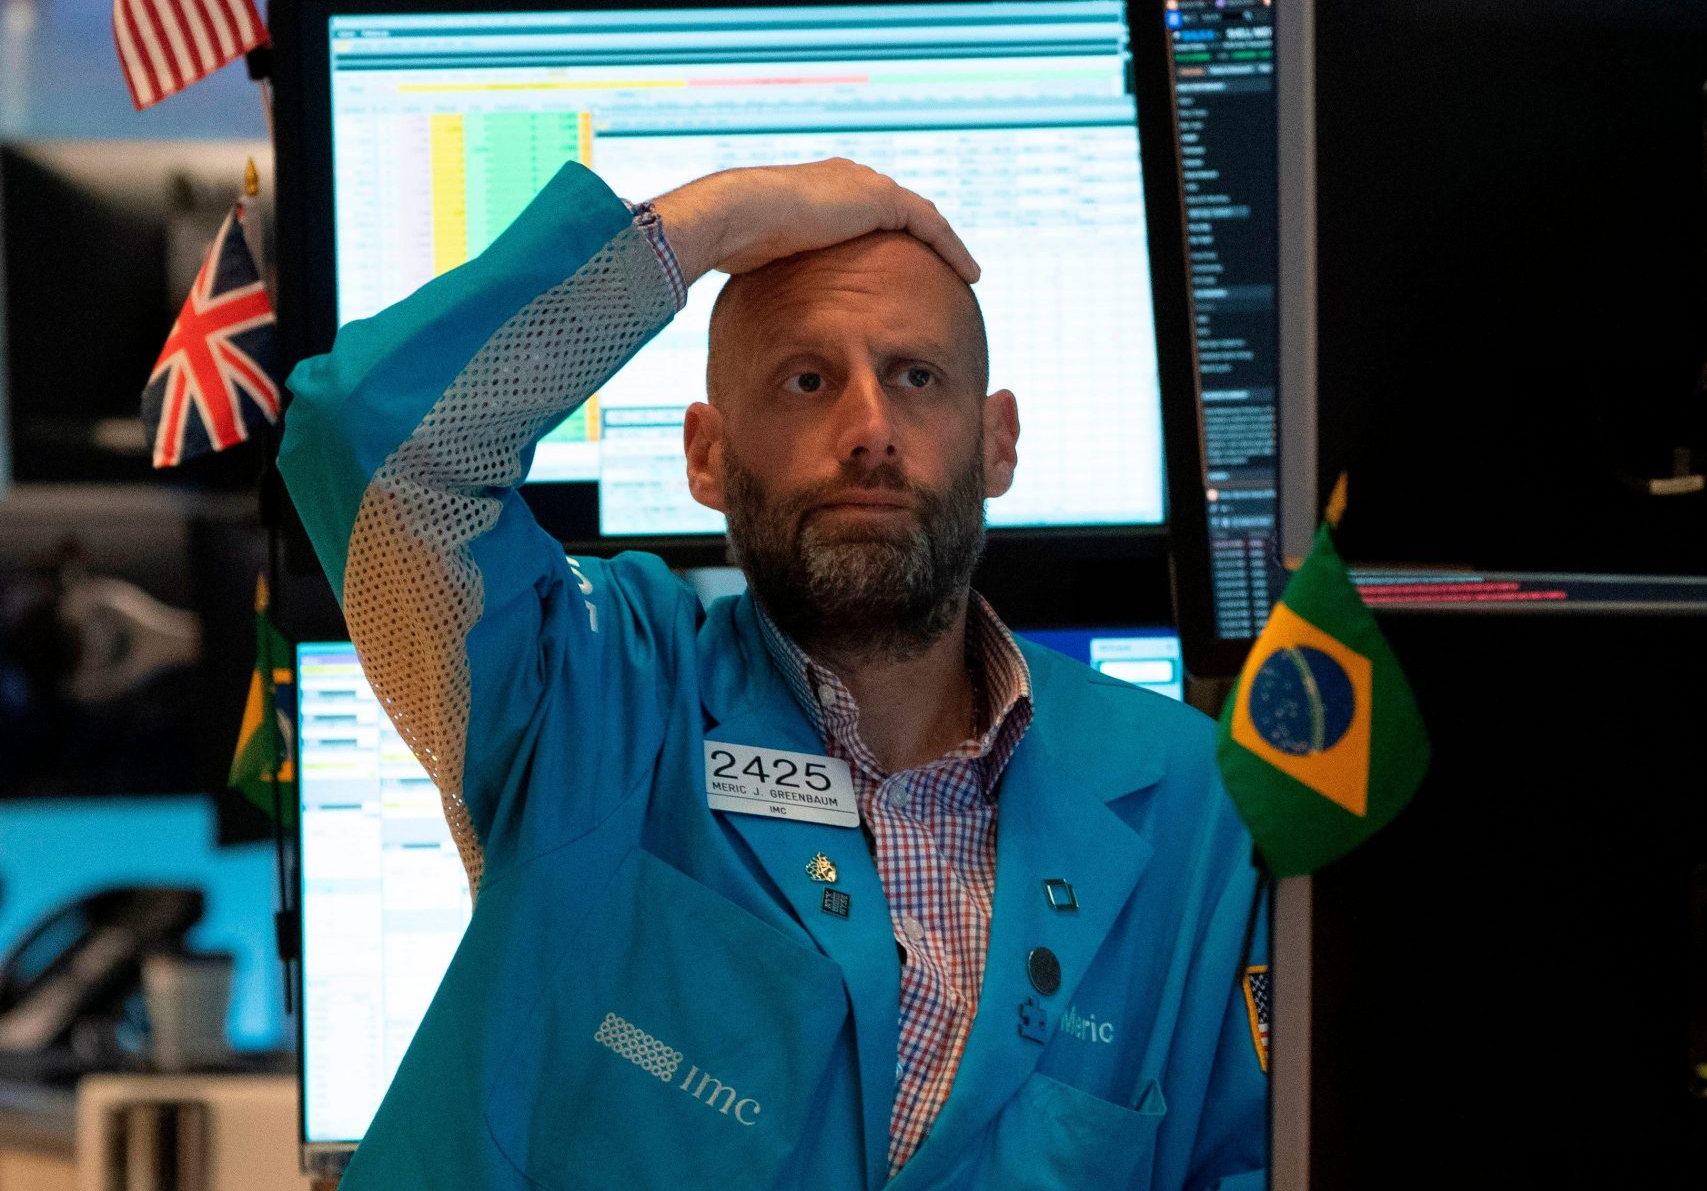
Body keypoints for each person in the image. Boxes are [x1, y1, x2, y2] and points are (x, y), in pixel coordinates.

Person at [279, 157, 1267, 1190]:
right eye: (806, 379)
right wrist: (717, 219)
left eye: (915, 376)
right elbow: (373, 436)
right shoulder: (593, 692)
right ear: (704, 455)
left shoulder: (1196, 807)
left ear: (997, 440)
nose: (870, 427)